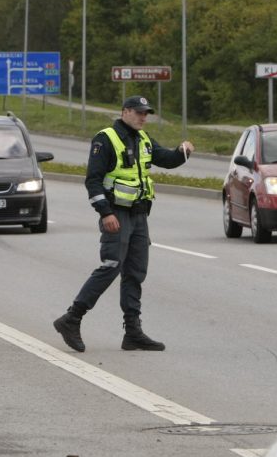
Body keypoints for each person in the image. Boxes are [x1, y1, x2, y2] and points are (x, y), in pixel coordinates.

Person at [53, 95, 195, 352]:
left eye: (146, 113)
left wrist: (182, 152)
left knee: (135, 272)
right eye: (139, 112)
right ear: (125, 112)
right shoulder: (106, 138)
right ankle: (71, 318)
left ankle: (133, 333)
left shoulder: (143, 139)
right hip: (116, 214)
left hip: (139, 215)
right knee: (110, 266)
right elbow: (93, 180)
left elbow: (166, 159)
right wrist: (105, 212)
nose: (143, 117)